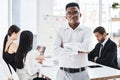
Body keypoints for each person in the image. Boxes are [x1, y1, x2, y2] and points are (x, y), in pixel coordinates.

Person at [53, 2, 92, 80]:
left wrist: (65, 46)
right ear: (66, 17)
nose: (72, 15)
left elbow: (87, 47)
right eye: (69, 13)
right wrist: (78, 50)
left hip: (82, 74)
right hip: (63, 73)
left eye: (75, 12)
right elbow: (55, 50)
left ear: (80, 14)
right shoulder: (60, 30)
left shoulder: (87, 30)